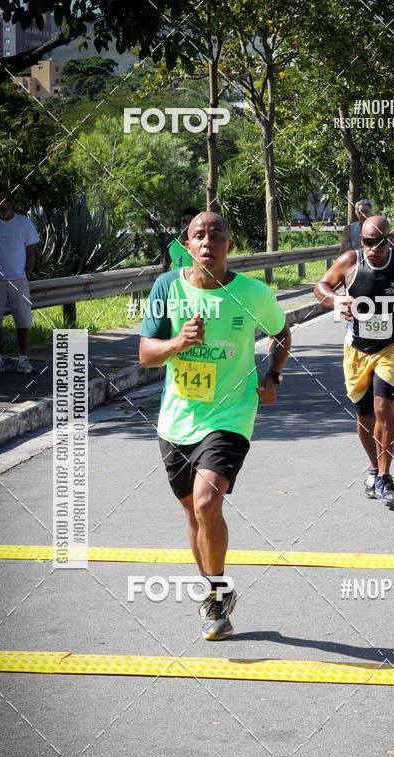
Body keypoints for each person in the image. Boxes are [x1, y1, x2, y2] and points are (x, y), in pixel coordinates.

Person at [140, 212, 291, 640]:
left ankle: (217, 595)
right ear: (187, 245)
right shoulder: (167, 287)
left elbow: (281, 333)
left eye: (217, 235)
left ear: (229, 244)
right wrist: (177, 343)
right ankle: (216, 594)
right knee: (193, 514)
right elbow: (146, 354)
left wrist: (272, 376)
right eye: (199, 235)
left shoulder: (253, 294)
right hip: (176, 419)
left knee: (207, 504)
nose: (208, 241)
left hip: (230, 415)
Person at [314, 216, 394, 505]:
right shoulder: (349, 262)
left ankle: (385, 477)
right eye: (368, 241)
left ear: (390, 240)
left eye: (381, 241)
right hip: (357, 349)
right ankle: (374, 467)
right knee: (364, 415)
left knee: (384, 406)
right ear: (360, 241)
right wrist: (340, 301)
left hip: (393, 347)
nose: (374, 247)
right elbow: (320, 287)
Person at [0, 186, 40, 374]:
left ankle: (23, 359)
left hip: (19, 280)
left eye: (4, 200)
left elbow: (31, 251)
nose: (1, 204)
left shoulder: (24, 223)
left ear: (11, 202)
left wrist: (27, 275)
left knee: (23, 322)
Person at [162, 206, 200, 272]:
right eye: (184, 221)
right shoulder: (170, 242)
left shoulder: (202, 245)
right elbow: (164, 271)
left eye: (190, 222)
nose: (187, 226)